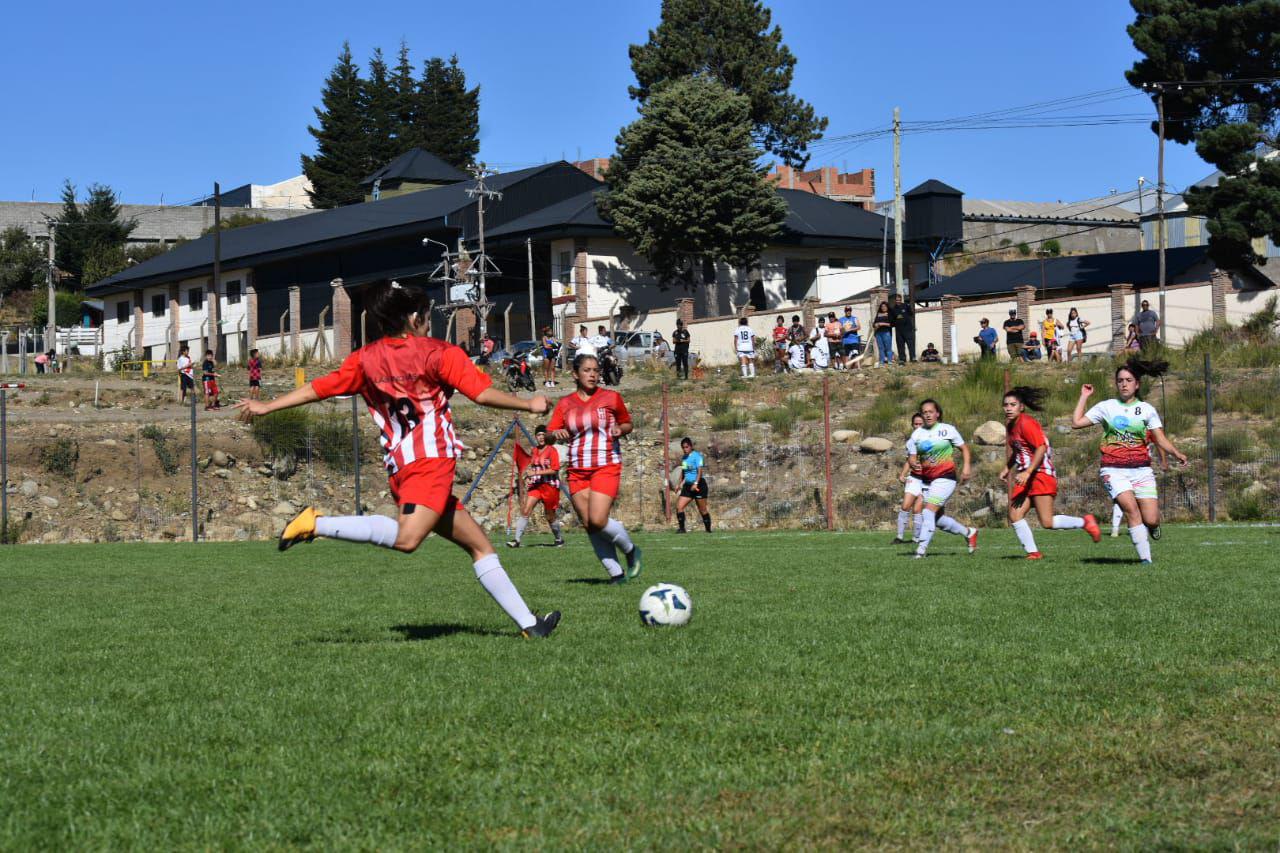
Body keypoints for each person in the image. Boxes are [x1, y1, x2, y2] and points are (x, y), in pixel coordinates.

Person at [232, 280, 560, 638]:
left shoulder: (365, 358)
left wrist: (268, 405)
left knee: (479, 545)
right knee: (407, 540)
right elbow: (480, 393)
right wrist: (529, 403)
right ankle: (316, 524)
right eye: (427, 315)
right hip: (429, 464)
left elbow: (319, 388)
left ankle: (530, 625)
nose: (428, 322)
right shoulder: (438, 352)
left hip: (401, 468)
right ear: (415, 316)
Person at [1072, 356, 1189, 564]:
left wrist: (1176, 453)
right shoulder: (1106, 406)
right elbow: (1077, 423)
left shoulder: (1146, 409)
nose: (1124, 384)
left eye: (1128, 380)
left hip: (1142, 470)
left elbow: (1159, 438)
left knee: (1151, 519)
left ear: (1137, 384)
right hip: (1113, 469)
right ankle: (1146, 560)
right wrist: (1084, 396)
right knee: (1131, 510)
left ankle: (1153, 527)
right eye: (1120, 380)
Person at [548, 353, 642, 584]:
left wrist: (622, 429)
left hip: (606, 464)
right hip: (577, 469)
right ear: (575, 374)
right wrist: (554, 435)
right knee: (590, 525)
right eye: (587, 370)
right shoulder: (565, 403)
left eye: (596, 370)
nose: (593, 374)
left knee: (598, 519)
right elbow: (549, 434)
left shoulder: (611, 397)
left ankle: (631, 551)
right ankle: (616, 575)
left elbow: (627, 422)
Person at [1001, 386, 1101, 559]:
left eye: (1013, 404)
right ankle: (1033, 553)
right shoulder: (1011, 426)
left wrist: (1028, 472)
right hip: (1026, 477)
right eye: (1006, 405)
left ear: (1021, 407)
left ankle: (1085, 522)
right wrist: (1007, 468)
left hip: (1040, 474)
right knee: (1015, 514)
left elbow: (1041, 447)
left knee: (1047, 522)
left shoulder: (1026, 423)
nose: (1009, 408)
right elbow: (1019, 449)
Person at [907, 399, 978, 558]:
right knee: (937, 519)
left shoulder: (947, 430)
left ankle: (921, 550)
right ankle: (969, 532)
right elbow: (911, 457)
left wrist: (966, 466)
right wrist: (913, 463)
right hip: (927, 480)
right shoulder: (917, 434)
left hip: (946, 477)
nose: (927, 415)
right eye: (924, 412)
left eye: (930, 411)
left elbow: (964, 448)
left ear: (937, 413)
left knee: (927, 511)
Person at [508, 425, 565, 548]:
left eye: (543, 434)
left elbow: (554, 469)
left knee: (550, 515)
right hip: (536, 486)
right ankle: (516, 540)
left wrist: (535, 473)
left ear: (547, 436)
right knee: (525, 510)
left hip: (550, 486)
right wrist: (529, 475)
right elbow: (534, 466)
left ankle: (559, 539)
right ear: (535, 437)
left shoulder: (552, 450)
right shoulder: (534, 450)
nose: (541, 437)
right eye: (538, 435)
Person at [1112, 430, 1169, 537]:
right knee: (1122, 502)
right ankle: (1116, 529)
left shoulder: (1147, 426)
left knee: (1150, 518)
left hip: (1141, 472)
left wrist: (1163, 460)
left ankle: (1152, 525)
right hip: (1119, 470)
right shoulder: (1117, 423)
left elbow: (1159, 441)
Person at [893, 412, 927, 544]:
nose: (918, 426)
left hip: (926, 481)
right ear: (912, 425)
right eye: (916, 424)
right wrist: (902, 474)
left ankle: (916, 538)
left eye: (920, 423)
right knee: (905, 505)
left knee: (918, 509)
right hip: (914, 478)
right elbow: (909, 460)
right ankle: (899, 536)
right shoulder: (911, 442)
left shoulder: (930, 440)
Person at [671, 437, 711, 533]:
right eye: (683, 448)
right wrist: (679, 484)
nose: (685, 449)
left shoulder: (697, 456)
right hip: (688, 487)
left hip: (699, 486)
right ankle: (682, 529)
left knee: (703, 510)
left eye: (687, 447)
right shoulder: (684, 458)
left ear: (691, 446)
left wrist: (696, 483)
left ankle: (708, 530)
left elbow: (699, 472)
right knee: (679, 507)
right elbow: (683, 472)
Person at [890, 293, 915, 363]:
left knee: (910, 344)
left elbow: (911, 314)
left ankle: (912, 358)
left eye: (899, 300)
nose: (898, 301)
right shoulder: (893, 309)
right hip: (899, 330)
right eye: (897, 300)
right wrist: (897, 320)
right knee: (900, 345)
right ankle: (902, 359)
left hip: (908, 329)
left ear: (901, 300)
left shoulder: (906, 306)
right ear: (894, 300)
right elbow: (892, 321)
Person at [873, 302, 893, 366]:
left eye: (884, 306)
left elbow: (891, 324)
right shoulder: (878, 314)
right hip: (878, 333)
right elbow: (874, 323)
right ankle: (882, 361)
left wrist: (882, 324)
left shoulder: (889, 314)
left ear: (887, 307)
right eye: (882, 306)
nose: (883, 307)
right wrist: (875, 325)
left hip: (886, 332)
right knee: (881, 348)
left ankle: (889, 360)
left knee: (888, 347)